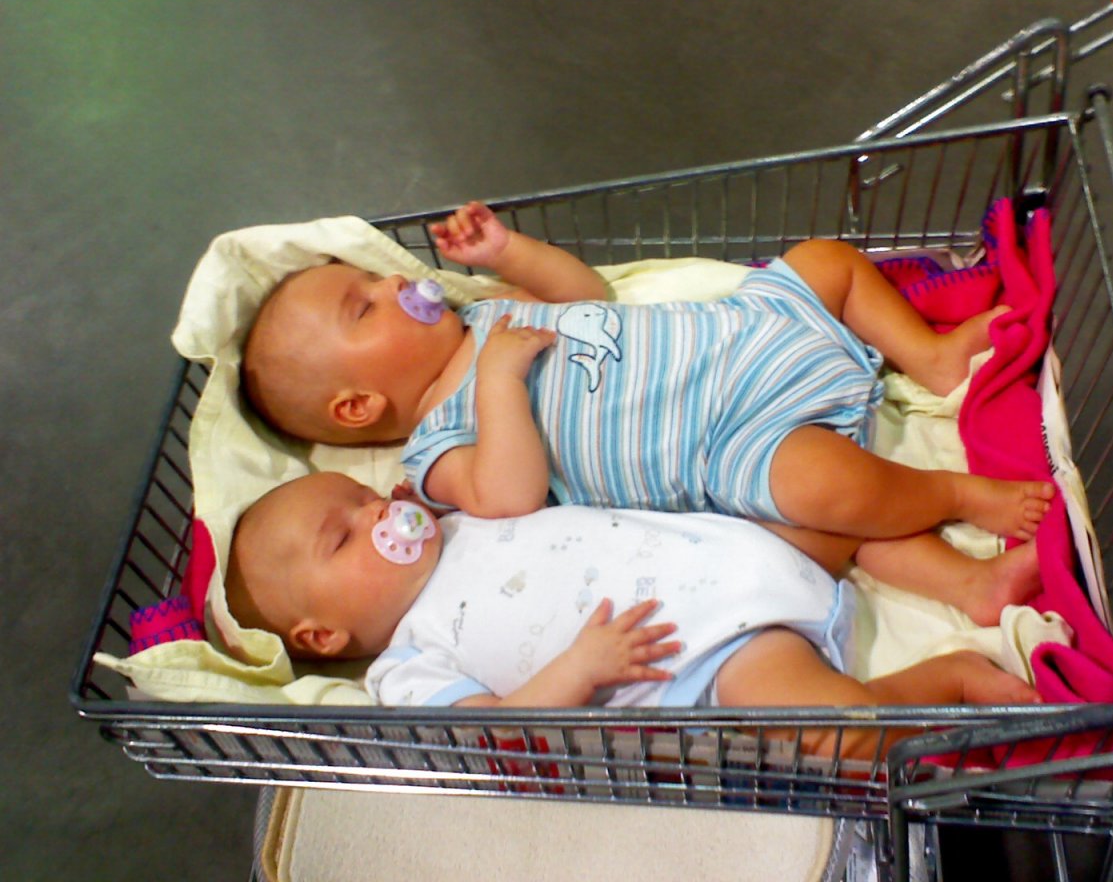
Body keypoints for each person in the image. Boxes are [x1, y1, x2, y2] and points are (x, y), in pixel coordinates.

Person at [241, 201, 1054, 547]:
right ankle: (951, 495)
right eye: (365, 307)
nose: (394, 282)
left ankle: (928, 357)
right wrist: (497, 384)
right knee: (827, 491)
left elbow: (587, 296)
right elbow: (510, 495)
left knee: (824, 260)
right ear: (358, 405)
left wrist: (508, 254)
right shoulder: (437, 451)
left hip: (747, 331)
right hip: (738, 440)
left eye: (375, 276)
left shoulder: (489, 313)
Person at [225, 472, 1042, 760]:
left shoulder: (460, 513)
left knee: (846, 512)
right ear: (323, 635)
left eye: (366, 497)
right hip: (712, 648)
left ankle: (970, 582)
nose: (380, 514)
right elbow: (496, 728)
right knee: (840, 736)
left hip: (723, 544)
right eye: (346, 535)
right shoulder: (407, 666)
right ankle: (949, 679)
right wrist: (578, 670)